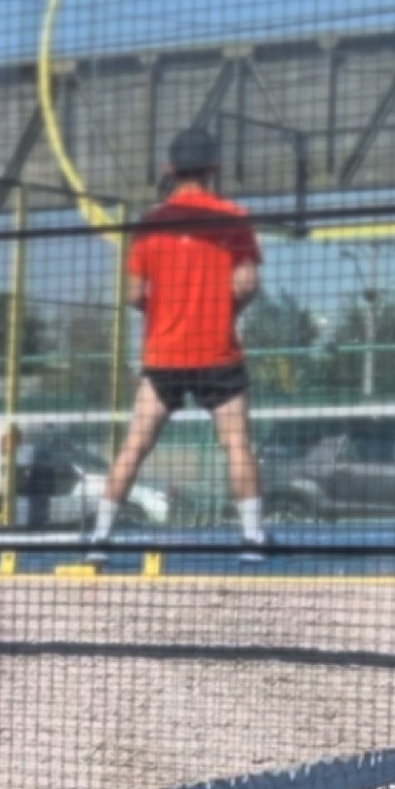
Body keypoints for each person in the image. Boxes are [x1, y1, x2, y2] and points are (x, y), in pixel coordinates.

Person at [88, 125, 269, 561]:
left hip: (164, 355)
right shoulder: (233, 217)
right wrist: (220, 312)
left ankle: (99, 539)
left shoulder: (150, 224)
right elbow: (247, 284)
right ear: (214, 167)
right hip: (217, 352)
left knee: (134, 446)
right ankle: (252, 540)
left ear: (169, 168)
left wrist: (166, 310)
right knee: (236, 444)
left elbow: (134, 294)